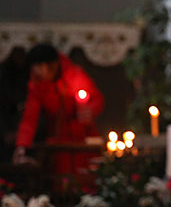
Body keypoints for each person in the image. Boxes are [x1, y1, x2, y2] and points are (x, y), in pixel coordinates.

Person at [12, 44, 104, 176]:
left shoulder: (74, 75)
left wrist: (89, 110)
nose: (41, 72)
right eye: (37, 67)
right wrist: (22, 145)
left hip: (82, 136)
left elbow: (96, 100)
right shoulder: (36, 85)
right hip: (58, 138)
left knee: (85, 175)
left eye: (44, 67)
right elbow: (29, 118)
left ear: (53, 65)